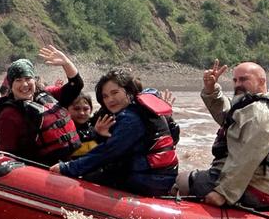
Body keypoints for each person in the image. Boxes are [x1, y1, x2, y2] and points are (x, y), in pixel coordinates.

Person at [175, 60, 269, 209]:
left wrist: (223, 193)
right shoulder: (251, 104)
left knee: (181, 181)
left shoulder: (260, 114)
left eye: (244, 79)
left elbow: (247, 158)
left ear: (262, 81)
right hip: (249, 180)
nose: (238, 84)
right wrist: (211, 89)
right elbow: (227, 115)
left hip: (254, 185)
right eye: (235, 80)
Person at [50, 68, 179, 196]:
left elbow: (108, 152)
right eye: (105, 96)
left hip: (148, 181)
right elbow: (173, 137)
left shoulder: (130, 118)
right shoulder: (147, 107)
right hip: (163, 178)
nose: (110, 100)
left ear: (128, 91)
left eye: (115, 92)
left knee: (87, 178)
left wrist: (67, 168)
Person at [0, 45, 83, 166]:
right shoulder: (8, 115)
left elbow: (76, 86)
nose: (25, 84)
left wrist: (67, 63)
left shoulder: (47, 95)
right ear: (11, 86)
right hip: (42, 169)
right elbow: (6, 155)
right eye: (18, 80)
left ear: (34, 80)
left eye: (28, 78)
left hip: (68, 163)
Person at [67, 93, 114, 159]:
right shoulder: (64, 131)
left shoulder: (94, 127)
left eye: (86, 109)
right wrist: (97, 134)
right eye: (76, 109)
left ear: (91, 110)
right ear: (66, 110)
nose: (82, 113)